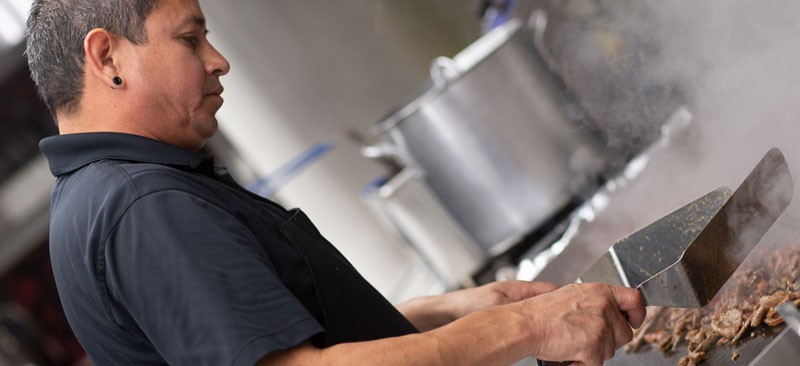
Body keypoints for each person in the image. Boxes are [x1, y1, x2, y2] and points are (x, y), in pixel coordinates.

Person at [27, 0, 646, 365]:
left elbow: (276, 341)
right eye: (190, 38)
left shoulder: (99, 195)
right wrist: (530, 328)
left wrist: (443, 313)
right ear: (106, 58)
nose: (218, 60)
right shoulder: (142, 204)